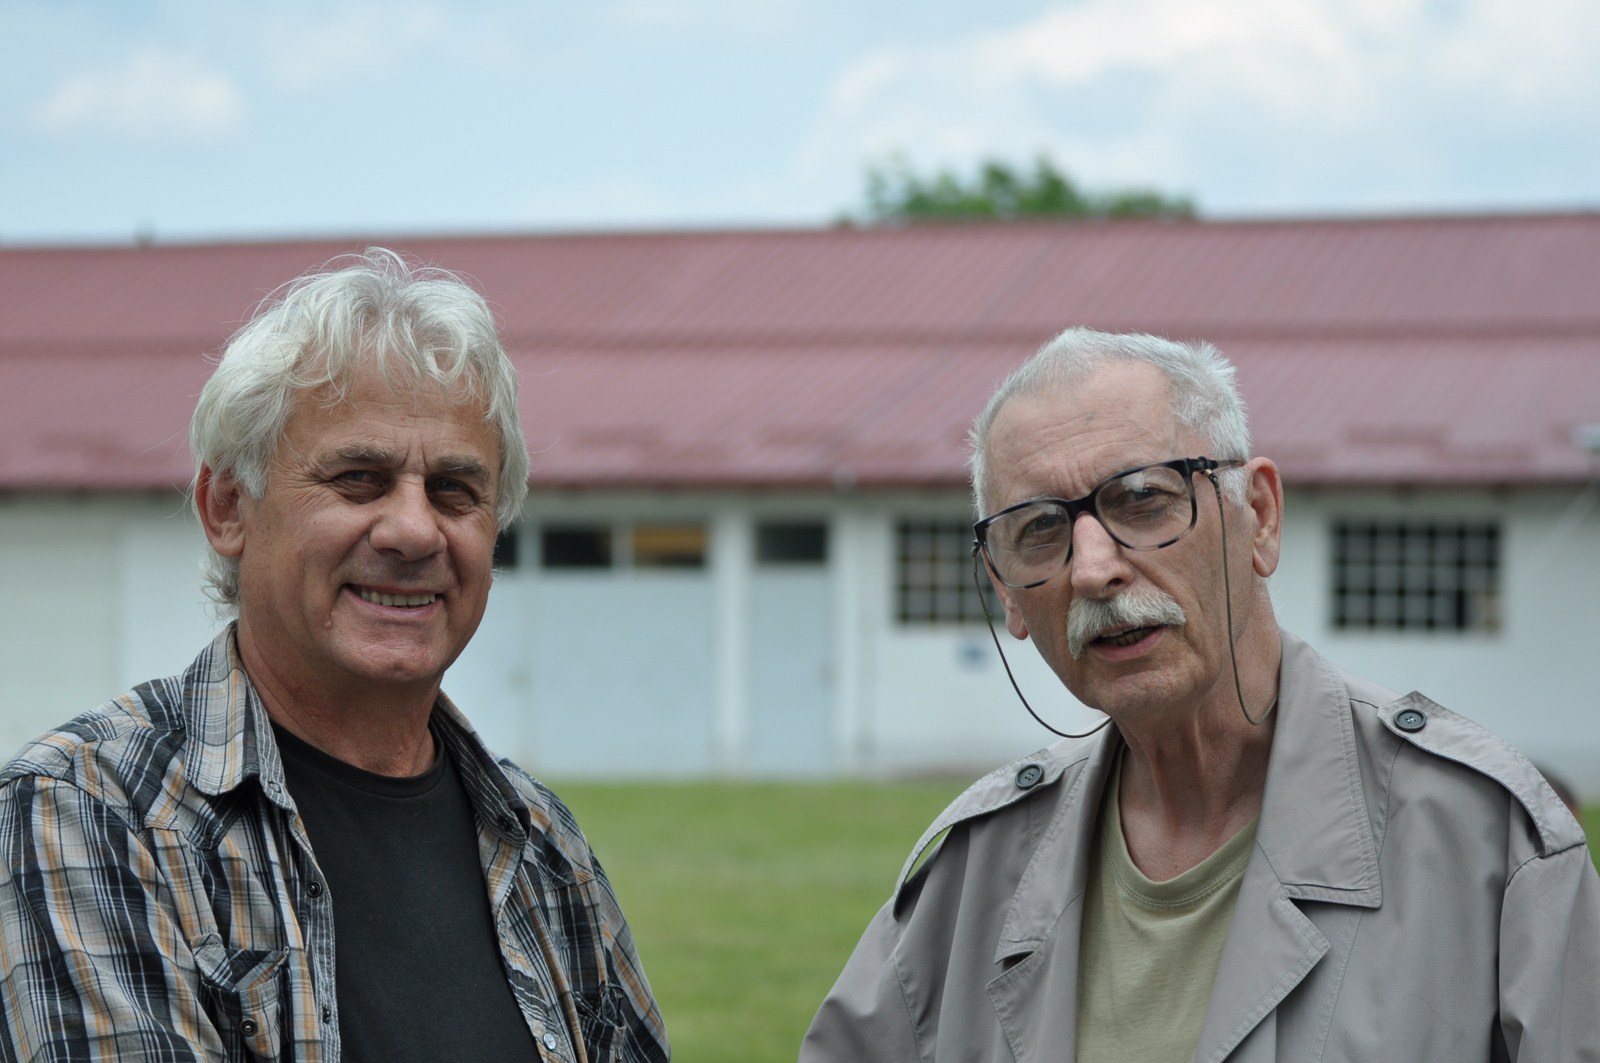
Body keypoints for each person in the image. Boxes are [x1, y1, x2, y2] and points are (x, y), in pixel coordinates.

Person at [802, 326, 1600, 1061]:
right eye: (1040, 528)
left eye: (1142, 498)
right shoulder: (973, 875)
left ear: (1259, 516)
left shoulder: (1487, 847)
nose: (1093, 568)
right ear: (1005, 591)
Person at [0, 249, 669, 1062]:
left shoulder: (543, 845)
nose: (415, 530)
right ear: (227, 507)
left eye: (455, 491)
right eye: (359, 478)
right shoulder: (86, 812)